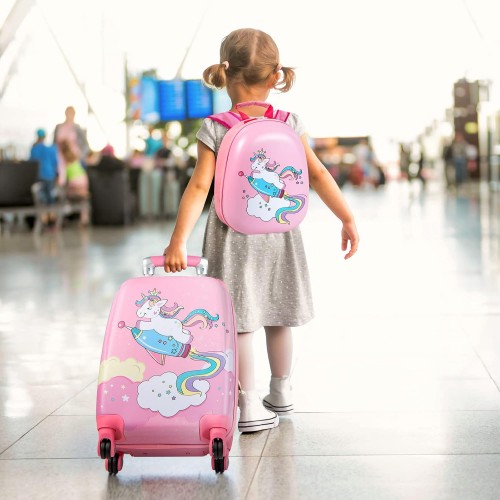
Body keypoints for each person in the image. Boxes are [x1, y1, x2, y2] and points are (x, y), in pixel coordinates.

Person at [163, 28, 359, 433]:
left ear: (225, 74)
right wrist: (347, 217)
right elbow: (318, 174)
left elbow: (199, 187)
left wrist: (178, 240)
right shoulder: (289, 123)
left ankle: (247, 404)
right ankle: (281, 391)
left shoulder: (215, 127)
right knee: (278, 313)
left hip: (232, 236)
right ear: (274, 77)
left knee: (241, 320)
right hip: (280, 235)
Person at [59, 139, 90, 225]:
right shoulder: (75, 157)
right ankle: (84, 218)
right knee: (83, 199)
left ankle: (65, 216)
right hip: (84, 181)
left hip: (74, 184)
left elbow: (62, 180)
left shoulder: (63, 161)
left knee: (63, 196)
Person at [54, 106, 90, 172]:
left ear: (74, 114)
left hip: (74, 159)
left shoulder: (78, 128)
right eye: (68, 112)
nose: (69, 115)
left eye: (71, 113)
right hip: (59, 159)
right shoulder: (58, 127)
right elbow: (54, 143)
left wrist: (80, 155)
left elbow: (86, 145)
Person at [29, 128, 59, 206]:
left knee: (42, 196)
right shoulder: (51, 149)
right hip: (50, 175)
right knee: (50, 195)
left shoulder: (34, 149)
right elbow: (55, 162)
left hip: (39, 175)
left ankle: (44, 212)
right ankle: (52, 211)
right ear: (45, 136)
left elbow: (31, 163)